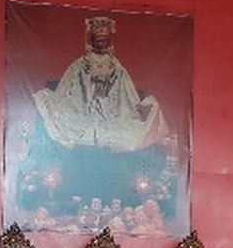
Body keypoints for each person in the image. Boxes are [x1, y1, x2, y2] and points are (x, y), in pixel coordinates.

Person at [32, 16, 166, 152]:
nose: (101, 42)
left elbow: (126, 95)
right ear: (91, 39)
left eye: (104, 39)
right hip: (84, 110)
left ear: (109, 41)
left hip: (111, 112)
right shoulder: (80, 65)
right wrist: (92, 89)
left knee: (138, 123)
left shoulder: (116, 66)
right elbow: (68, 91)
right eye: (98, 38)